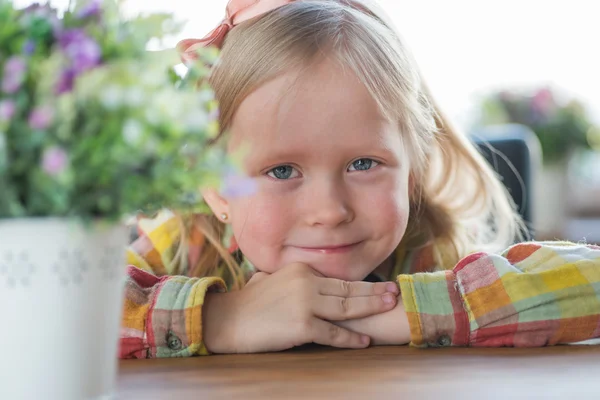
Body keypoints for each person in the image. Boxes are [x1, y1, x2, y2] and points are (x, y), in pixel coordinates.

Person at [120, 0, 600, 359]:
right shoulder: (187, 248)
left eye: (363, 164)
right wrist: (221, 319)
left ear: (413, 169)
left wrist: (396, 313)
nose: (329, 211)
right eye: (282, 170)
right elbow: (52, 313)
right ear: (216, 189)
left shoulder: (428, 251)